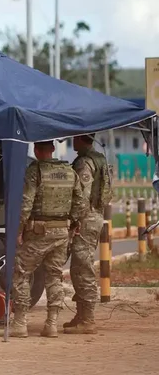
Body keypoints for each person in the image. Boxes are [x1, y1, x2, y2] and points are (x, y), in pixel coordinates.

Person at [0, 141, 89, 338]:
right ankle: (52, 324)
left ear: (37, 151)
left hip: (38, 232)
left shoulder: (35, 171)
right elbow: (81, 204)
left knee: (21, 272)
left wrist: (18, 230)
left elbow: (26, 204)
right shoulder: (69, 172)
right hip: (62, 233)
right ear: (53, 149)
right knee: (54, 276)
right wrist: (70, 223)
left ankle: (20, 323)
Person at [64, 134, 113, 334]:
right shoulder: (99, 158)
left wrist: (74, 220)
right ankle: (81, 315)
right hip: (95, 215)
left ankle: (88, 319)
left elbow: (82, 197)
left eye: (74, 138)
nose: (72, 141)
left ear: (81, 139)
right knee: (78, 266)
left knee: (82, 266)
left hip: (86, 217)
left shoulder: (85, 163)